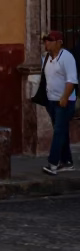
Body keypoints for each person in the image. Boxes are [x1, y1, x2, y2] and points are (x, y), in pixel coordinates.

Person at [40, 30, 76, 176]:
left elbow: (71, 80)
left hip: (64, 102)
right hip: (51, 101)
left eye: (50, 40)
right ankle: (67, 161)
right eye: (46, 40)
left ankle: (53, 163)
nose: (46, 43)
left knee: (58, 131)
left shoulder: (67, 57)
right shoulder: (46, 57)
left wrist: (65, 97)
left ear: (59, 42)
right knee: (61, 131)